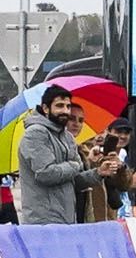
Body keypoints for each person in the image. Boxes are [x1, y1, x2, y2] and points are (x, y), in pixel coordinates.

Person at [11, 84, 90, 226]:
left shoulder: (68, 137)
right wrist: (74, 165)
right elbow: (46, 174)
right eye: (59, 106)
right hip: (43, 222)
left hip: (67, 220)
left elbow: (76, 180)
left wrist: (99, 173)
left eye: (67, 106)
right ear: (46, 108)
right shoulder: (35, 133)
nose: (65, 111)